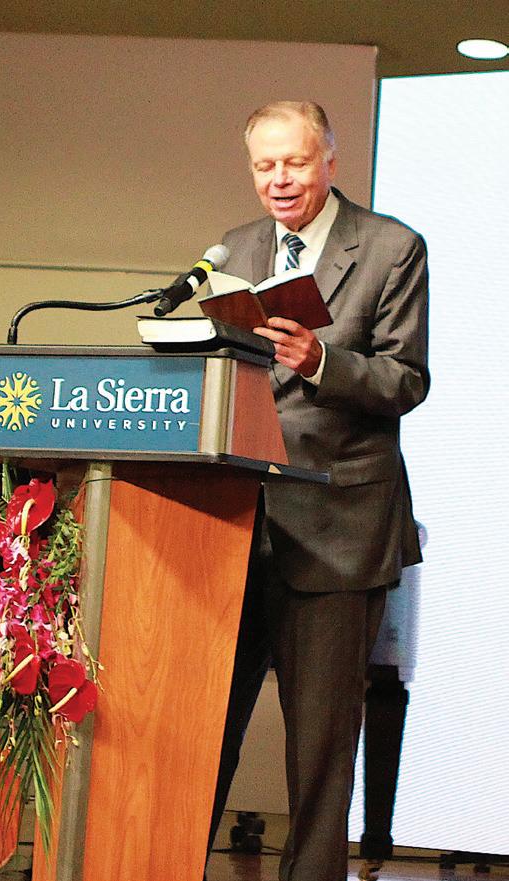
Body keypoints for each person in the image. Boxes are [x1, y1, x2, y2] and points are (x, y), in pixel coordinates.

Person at [205, 101, 429, 881]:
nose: (279, 179)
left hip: (337, 526)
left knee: (321, 754)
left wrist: (321, 361)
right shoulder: (234, 247)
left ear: (329, 161)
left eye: (294, 162)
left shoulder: (391, 247)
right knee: (203, 733)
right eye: (263, 165)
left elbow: (405, 379)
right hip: (235, 526)